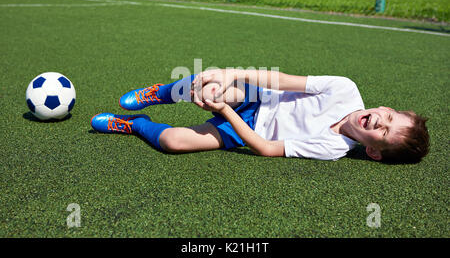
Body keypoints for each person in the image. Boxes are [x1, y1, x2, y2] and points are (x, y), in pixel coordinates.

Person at [90, 69, 429, 163]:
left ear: (373, 150)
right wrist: (227, 73)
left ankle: (134, 125)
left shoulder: (333, 148)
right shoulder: (345, 89)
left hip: (249, 128)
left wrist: (223, 113)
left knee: (173, 142)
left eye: (384, 132)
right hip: (260, 95)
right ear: (387, 108)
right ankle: (159, 92)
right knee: (207, 84)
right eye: (389, 115)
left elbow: (266, 148)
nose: (380, 120)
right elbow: (281, 81)